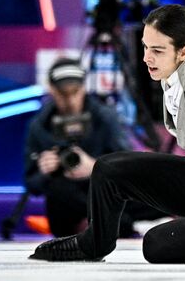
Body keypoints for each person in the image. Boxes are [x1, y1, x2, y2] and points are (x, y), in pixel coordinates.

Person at [29, 5, 185, 264]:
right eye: (145, 47)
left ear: (184, 52)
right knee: (108, 169)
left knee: (155, 245)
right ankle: (94, 243)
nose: (146, 58)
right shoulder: (174, 78)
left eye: (157, 50)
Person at [25, 57, 158, 237]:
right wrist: (44, 170)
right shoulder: (40, 125)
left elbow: (127, 168)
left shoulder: (104, 117)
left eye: (75, 92)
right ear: (52, 90)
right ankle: (120, 223)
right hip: (67, 200)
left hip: (103, 190)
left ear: (84, 88)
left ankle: (110, 221)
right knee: (59, 191)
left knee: (155, 192)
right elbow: (31, 184)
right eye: (64, 93)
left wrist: (95, 167)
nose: (71, 100)